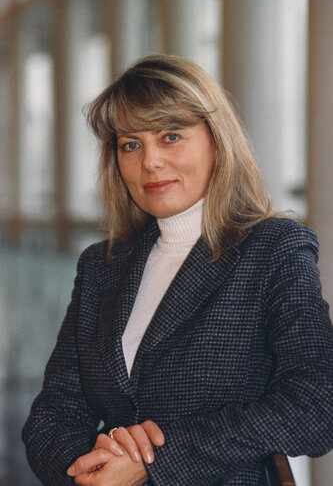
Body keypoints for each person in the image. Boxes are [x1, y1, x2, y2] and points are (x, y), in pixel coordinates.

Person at [22, 54, 333, 486]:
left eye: (170, 136)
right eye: (131, 144)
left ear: (217, 141)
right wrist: (89, 470)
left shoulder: (273, 250)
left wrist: (152, 463)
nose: (149, 162)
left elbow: (316, 406)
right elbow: (53, 413)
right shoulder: (101, 265)